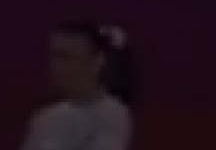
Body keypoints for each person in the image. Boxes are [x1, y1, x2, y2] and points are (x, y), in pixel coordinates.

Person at [19, 21, 135, 150]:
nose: (57, 65)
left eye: (66, 57)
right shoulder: (44, 118)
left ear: (97, 61)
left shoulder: (113, 114)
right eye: (54, 56)